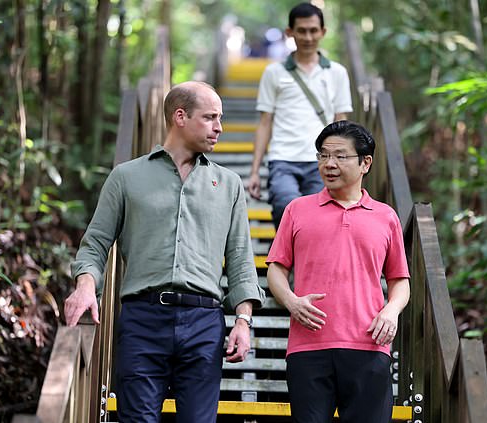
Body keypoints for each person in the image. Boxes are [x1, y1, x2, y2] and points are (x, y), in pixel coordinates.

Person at [63, 81, 265, 423]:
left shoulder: (229, 184)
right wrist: (85, 286)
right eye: (211, 117)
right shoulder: (126, 177)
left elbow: (242, 260)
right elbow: (95, 243)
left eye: (221, 118)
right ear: (180, 117)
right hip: (143, 319)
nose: (219, 127)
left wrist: (243, 321)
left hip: (205, 323)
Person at [266, 120, 411, 423]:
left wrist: (391, 311)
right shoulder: (297, 209)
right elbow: (276, 270)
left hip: (369, 343)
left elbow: (400, 281)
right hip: (308, 346)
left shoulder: (386, 216)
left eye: (340, 156)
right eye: (323, 156)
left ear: (365, 163)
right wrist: (292, 302)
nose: (329, 164)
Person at [248, 2, 353, 229]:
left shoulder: (337, 72)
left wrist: (345, 164)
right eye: (302, 30)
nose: (308, 37)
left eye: (313, 30)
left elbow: (341, 122)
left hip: (322, 159)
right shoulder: (273, 73)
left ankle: (303, 264)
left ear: (323, 32)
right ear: (290, 32)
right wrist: (255, 171)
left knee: (319, 219)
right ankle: (286, 261)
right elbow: (265, 123)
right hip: (282, 158)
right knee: (284, 205)